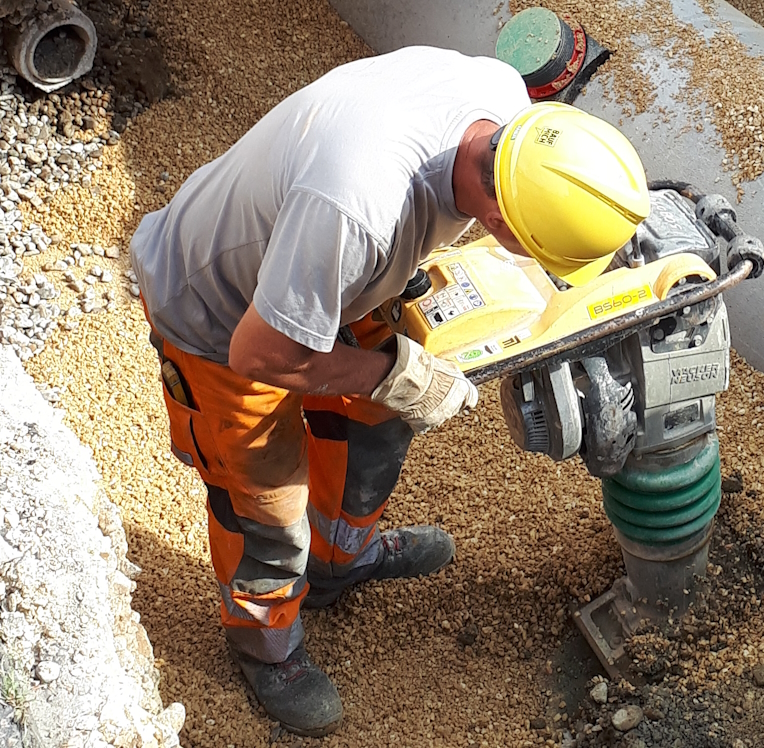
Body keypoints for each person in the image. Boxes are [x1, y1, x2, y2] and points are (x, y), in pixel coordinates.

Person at [130, 46, 651, 736]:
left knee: (374, 425)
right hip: (217, 317)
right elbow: (259, 352)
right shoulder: (359, 209)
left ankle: (341, 561)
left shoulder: (501, 104)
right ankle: (265, 647)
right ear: (499, 222)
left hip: (330, 280)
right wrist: (395, 373)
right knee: (266, 506)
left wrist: (388, 378)